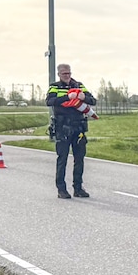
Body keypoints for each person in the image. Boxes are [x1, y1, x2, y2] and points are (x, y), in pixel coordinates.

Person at [45, 64, 96, 199]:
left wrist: (83, 98)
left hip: (78, 127)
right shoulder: (55, 87)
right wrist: (68, 97)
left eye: (68, 73)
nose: (67, 76)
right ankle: (61, 189)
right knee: (62, 158)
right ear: (59, 74)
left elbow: (93, 100)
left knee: (79, 158)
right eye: (64, 74)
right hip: (63, 128)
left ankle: (78, 188)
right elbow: (50, 101)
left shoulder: (79, 85)